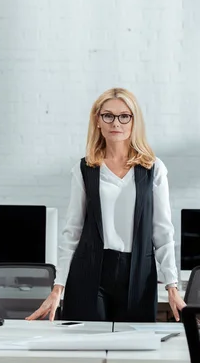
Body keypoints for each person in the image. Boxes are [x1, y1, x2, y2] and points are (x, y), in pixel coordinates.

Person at [26, 87, 186, 323]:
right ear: (98, 121)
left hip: (138, 273)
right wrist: (58, 287)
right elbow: (73, 232)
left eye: (124, 116)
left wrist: (173, 287)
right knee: (85, 348)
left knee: (134, 348)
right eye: (108, 115)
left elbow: (162, 231)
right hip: (89, 271)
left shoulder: (153, 169)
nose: (116, 123)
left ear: (134, 121)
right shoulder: (85, 169)